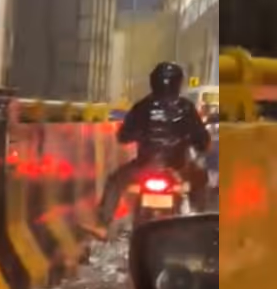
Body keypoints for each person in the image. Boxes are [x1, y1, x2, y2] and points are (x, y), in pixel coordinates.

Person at [88, 62, 211, 238]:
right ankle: (200, 225)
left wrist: (137, 135)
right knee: (200, 179)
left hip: (144, 168)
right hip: (178, 168)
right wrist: (199, 145)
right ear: (178, 82)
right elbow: (202, 139)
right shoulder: (186, 108)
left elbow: (123, 136)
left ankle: (102, 224)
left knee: (115, 181)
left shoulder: (142, 106)